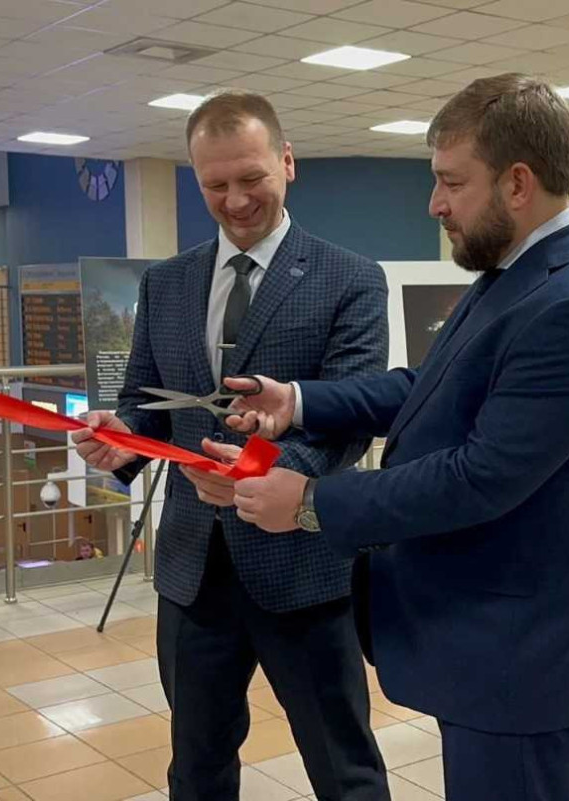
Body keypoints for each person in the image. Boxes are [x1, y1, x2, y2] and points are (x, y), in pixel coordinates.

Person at [221, 74, 569, 801]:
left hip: (518, 650)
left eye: (452, 182)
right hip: (480, 638)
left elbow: (480, 475)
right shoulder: (519, 273)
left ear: (518, 184)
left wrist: (313, 501)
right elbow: (429, 390)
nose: (436, 204)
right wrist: (297, 402)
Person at [72, 91, 390, 801]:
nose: (236, 199)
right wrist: (122, 441)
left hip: (302, 564)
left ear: (287, 161)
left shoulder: (350, 278)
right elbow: (147, 404)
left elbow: (351, 415)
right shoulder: (167, 282)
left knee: (345, 768)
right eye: (215, 185)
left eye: (252, 179)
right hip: (193, 573)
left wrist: (267, 475)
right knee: (197, 766)